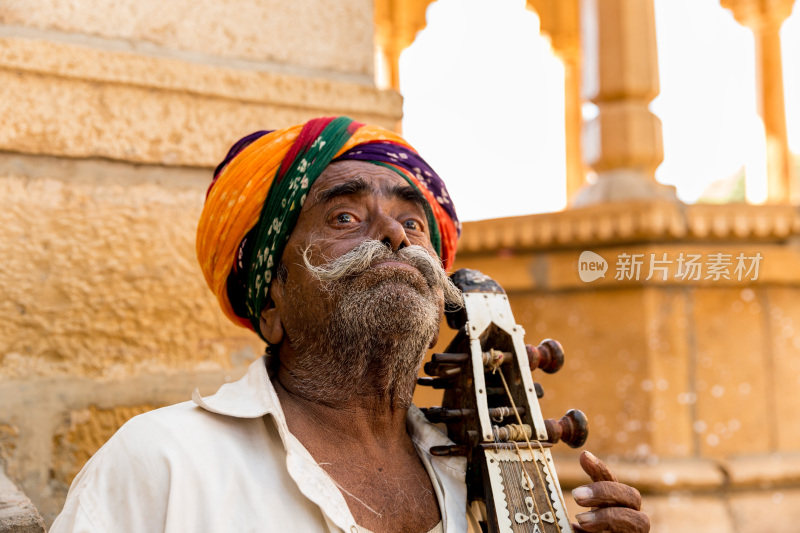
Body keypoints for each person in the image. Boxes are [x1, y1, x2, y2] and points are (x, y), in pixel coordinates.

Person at [51, 116, 649, 533]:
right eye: (344, 216)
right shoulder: (164, 464)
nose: (395, 234)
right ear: (271, 302)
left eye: (413, 225)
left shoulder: (481, 481)